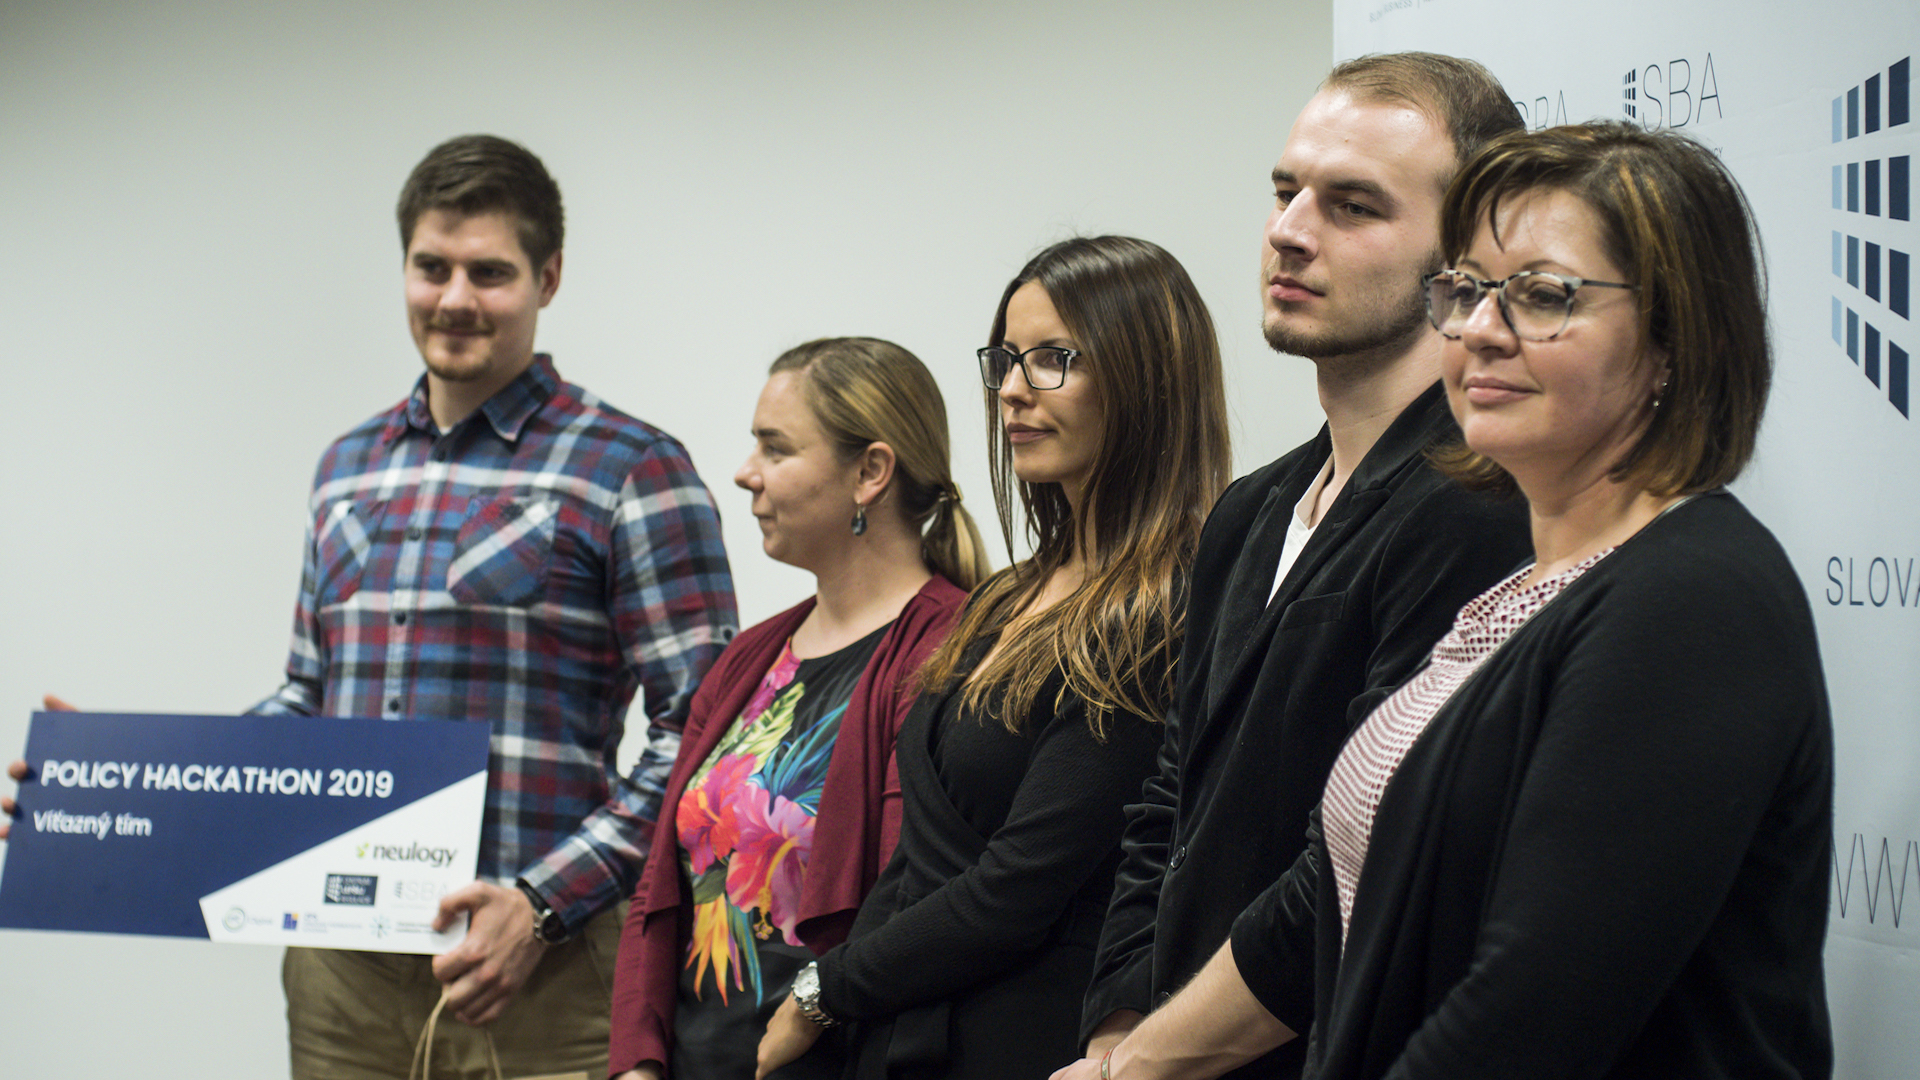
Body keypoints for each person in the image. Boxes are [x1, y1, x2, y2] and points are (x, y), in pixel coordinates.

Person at [1065, 122, 1834, 1080]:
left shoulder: (1692, 597)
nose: (1480, 331)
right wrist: (1127, 1065)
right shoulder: (1521, 593)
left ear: (1678, 342)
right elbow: (1326, 901)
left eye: (1543, 296)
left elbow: (1532, 1011)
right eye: (1467, 291)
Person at [10, 134, 739, 1079]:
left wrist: (541, 904)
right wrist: (129, 787)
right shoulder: (346, 468)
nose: (455, 298)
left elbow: (705, 731)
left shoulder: (631, 466)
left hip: (541, 975)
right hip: (340, 978)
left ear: (549, 278)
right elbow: (309, 702)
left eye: (490, 272)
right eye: (431, 267)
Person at [1077, 53, 1532, 1080]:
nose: (1289, 230)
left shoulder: (1479, 505)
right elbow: (1172, 800)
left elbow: (1366, 863)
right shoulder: (1251, 510)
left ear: (1465, 257)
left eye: (1353, 205)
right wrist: (1116, 1026)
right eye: (1285, 192)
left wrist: (1151, 1059)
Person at [751, 236, 1231, 1080]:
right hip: (902, 1030)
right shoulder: (1004, 597)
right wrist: (838, 1000)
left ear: (1145, 378)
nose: (1010, 389)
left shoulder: (1166, 609)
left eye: (1052, 359)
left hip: (1026, 1040)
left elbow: (1019, 888)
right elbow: (916, 860)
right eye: (1006, 360)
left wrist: (824, 991)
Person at [606, 337, 991, 1080]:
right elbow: (661, 889)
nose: (745, 472)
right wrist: (638, 1062)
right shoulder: (748, 659)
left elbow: (918, 901)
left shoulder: (954, 652)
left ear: (870, 472)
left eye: (775, 448)